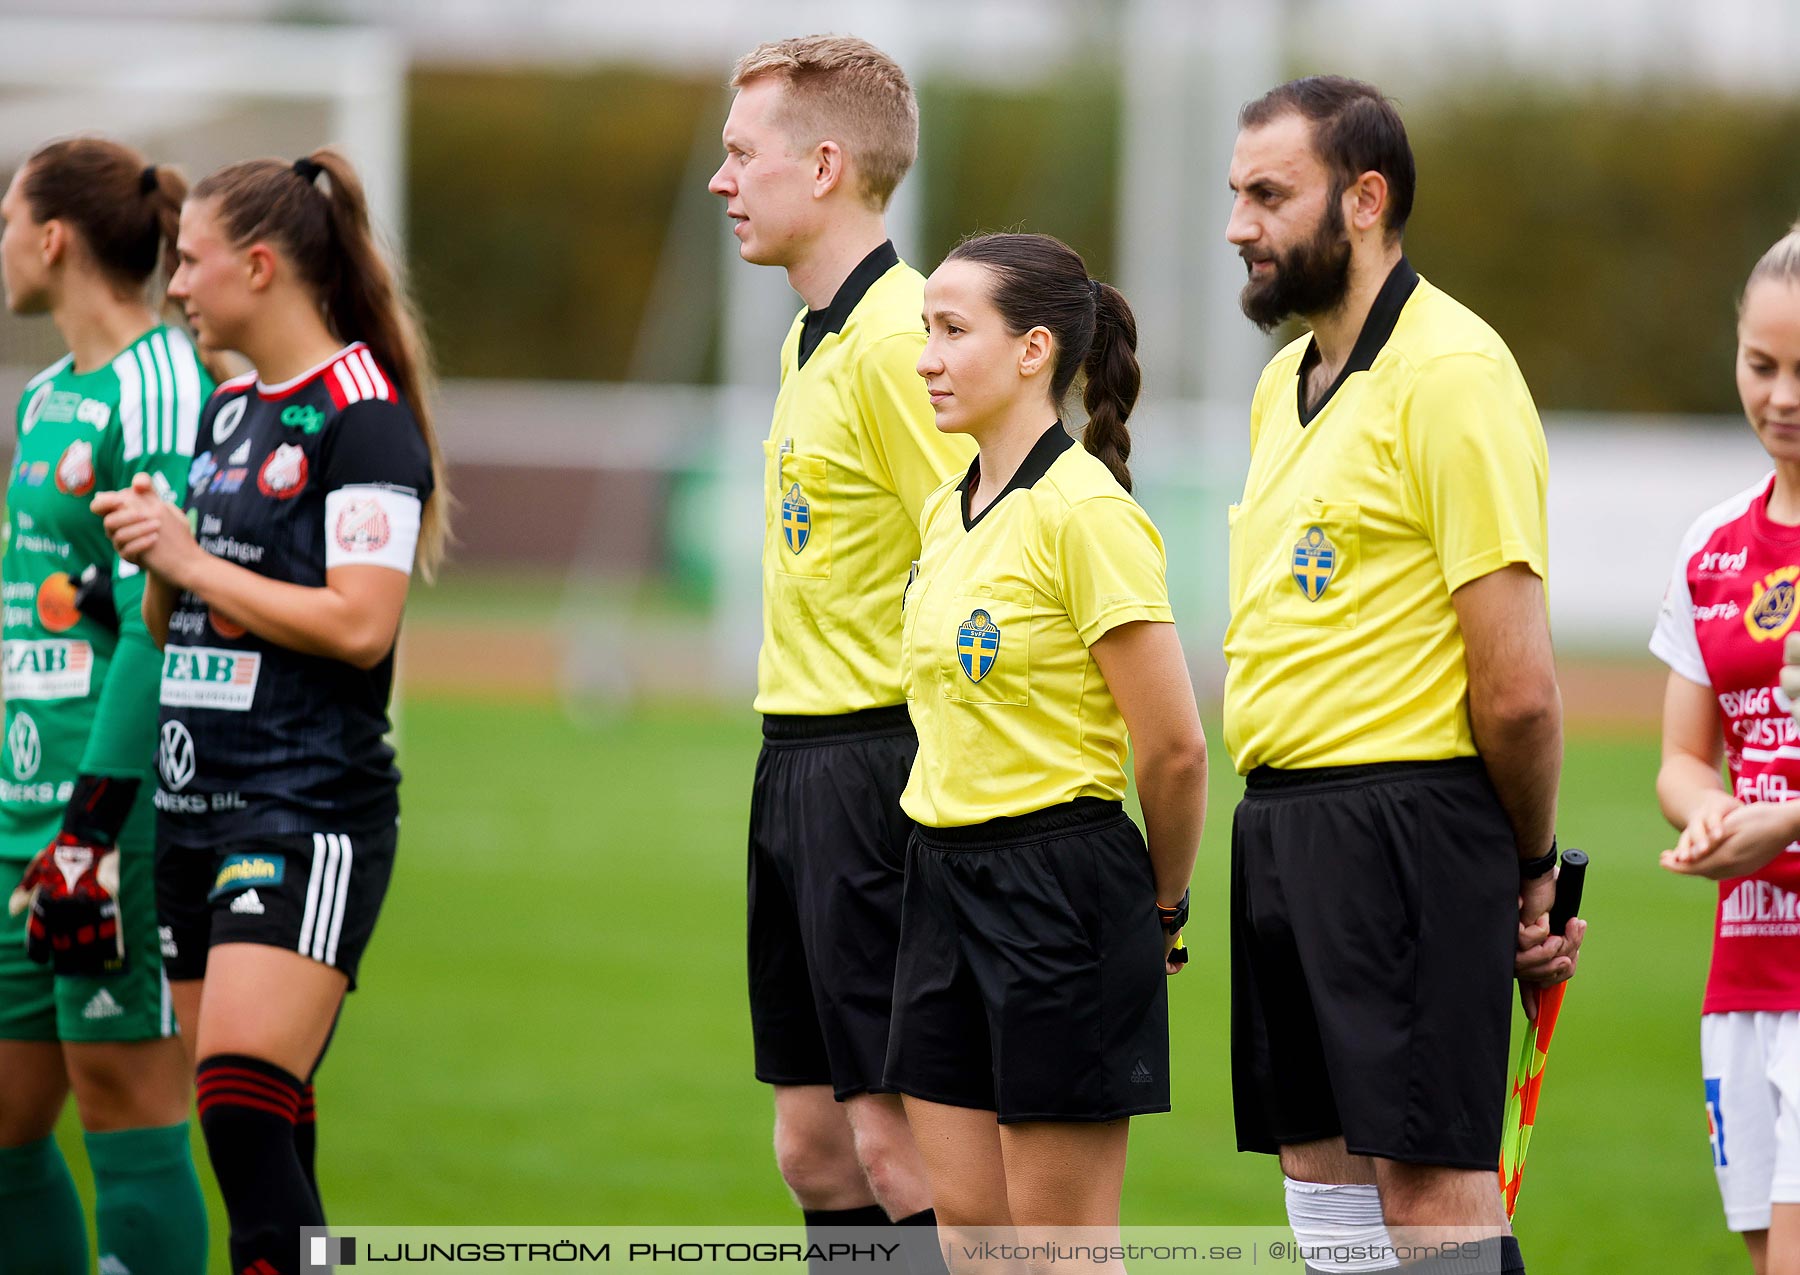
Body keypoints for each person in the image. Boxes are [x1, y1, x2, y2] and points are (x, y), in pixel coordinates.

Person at [1221, 77, 1583, 1275]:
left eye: (1269, 195)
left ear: (1364, 200)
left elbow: (1518, 685)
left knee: (1432, 1198)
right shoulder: (1284, 384)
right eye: (1236, 194)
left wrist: (1526, 868)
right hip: (1280, 826)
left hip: (1407, 827)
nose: (1239, 225)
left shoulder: (1455, 373)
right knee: (1321, 1185)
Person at [92, 148, 448, 1275]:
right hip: (194, 810)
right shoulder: (229, 413)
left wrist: (193, 561)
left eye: (191, 264)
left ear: (256, 265)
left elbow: (360, 626)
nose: (177, 288)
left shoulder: (366, 417)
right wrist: (156, 545)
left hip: (305, 808)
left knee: (240, 1104)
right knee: (259, 1124)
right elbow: (171, 618)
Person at [886, 231, 1207, 1272]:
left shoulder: (1087, 515)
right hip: (937, 882)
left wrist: (1160, 909)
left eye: (950, 330)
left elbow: (1175, 749)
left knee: (1060, 1253)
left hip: (1058, 893)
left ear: (1033, 352)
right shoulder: (946, 510)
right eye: (925, 330)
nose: (927, 356)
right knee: (972, 1242)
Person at [707, 35, 972, 1260]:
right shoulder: (812, 336)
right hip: (795, 766)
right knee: (814, 1152)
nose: (723, 181)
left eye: (739, 154)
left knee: (896, 1147)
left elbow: (993, 544)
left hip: (879, 771)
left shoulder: (901, 342)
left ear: (823, 166)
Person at [0, 136, 210, 1275]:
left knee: (120, 1100)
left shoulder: (162, 384)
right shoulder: (43, 398)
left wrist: (91, 827)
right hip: (18, 805)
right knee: (6, 1126)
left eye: (5, 220)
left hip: (108, 813)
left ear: (52, 239)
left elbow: (155, 621)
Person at [1654, 225, 1800, 1275]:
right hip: (1742, 977)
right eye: (1763, 365)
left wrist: (1785, 823)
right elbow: (1682, 756)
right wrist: (1708, 814)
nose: (1784, 396)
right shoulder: (1713, 549)